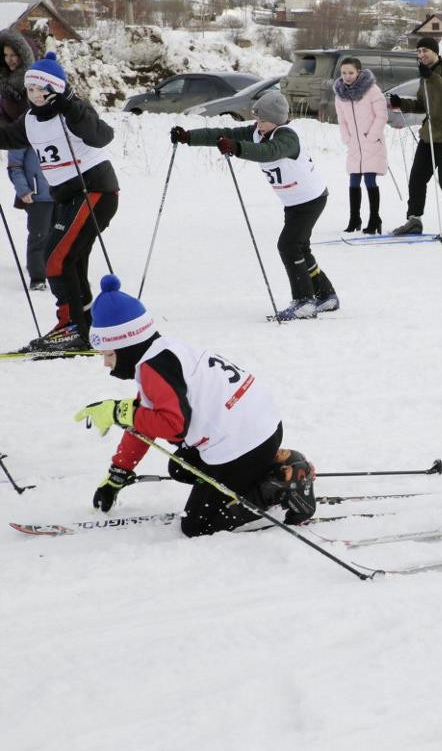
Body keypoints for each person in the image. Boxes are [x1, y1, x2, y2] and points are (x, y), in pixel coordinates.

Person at [73, 275, 317, 537]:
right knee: (180, 466)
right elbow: (144, 419)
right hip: (261, 427)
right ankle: (276, 465)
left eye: (109, 355)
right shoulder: (164, 352)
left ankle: (277, 487)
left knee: (196, 526)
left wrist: (118, 412)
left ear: (127, 345)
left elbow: (173, 426)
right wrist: (118, 473)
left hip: (245, 443)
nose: (106, 364)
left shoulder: (154, 369)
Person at [171, 91, 339, 321]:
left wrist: (238, 148)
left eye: (262, 121)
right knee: (299, 247)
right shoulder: (258, 132)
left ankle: (304, 301)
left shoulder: (288, 137)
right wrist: (188, 137)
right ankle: (325, 295)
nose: (258, 125)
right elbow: (224, 134)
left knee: (289, 246)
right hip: (293, 201)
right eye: (257, 120)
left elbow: (270, 153)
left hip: (310, 199)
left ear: (277, 120)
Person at [0, 51, 118, 352]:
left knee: (56, 257)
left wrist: (70, 106)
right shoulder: (29, 119)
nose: (36, 95)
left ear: (56, 89)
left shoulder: (72, 110)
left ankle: (71, 326)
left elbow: (102, 136)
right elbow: (8, 137)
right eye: (31, 89)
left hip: (95, 189)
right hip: (66, 196)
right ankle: (86, 323)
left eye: (42, 89)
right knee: (72, 260)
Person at [388, 37, 442, 240]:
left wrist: (431, 77)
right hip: (428, 135)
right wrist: (401, 103)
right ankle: (414, 220)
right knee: (416, 179)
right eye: (419, 51)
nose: (421, 55)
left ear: (435, 52)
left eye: (425, 51)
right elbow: (423, 104)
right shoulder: (424, 74)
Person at [0, 30, 52, 291]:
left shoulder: (36, 82)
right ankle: (38, 273)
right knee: (39, 230)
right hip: (19, 144)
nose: (10, 60)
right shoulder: (4, 85)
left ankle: (54, 267)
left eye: (14, 54)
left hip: (43, 149)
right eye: (5, 55)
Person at [333, 57, 387, 235]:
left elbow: (381, 116)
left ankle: (374, 218)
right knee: (354, 179)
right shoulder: (340, 95)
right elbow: (341, 120)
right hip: (354, 144)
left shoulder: (372, 90)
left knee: (369, 179)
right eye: (344, 73)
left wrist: (372, 136)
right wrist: (347, 138)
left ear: (359, 72)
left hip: (371, 142)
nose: (347, 76)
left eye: (351, 72)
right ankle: (354, 218)